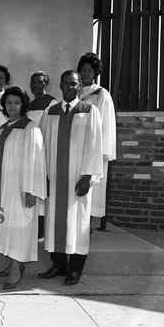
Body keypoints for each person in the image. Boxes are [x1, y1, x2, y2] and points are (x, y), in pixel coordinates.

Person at [39, 70, 103, 286]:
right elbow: (42, 147)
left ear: (79, 86)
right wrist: (42, 176)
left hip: (78, 179)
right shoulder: (50, 112)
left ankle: (75, 269)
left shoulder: (89, 111)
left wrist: (88, 177)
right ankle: (59, 264)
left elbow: (94, 145)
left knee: (79, 223)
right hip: (54, 179)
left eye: (74, 84)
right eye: (66, 83)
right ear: (60, 84)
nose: (70, 87)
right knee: (54, 222)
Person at [0, 86, 46, 290]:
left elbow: (36, 160)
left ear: (23, 105)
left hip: (21, 187)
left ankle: (15, 267)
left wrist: (31, 189)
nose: (12, 106)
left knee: (20, 226)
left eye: (16, 102)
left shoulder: (30, 128)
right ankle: (13, 262)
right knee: (8, 226)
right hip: (3, 186)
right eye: (8, 102)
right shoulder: (3, 128)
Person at [77, 53, 116, 228]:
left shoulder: (101, 94)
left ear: (95, 73)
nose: (85, 74)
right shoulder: (74, 91)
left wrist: (102, 152)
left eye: (89, 71)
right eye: (83, 70)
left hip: (94, 148)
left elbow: (105, 125)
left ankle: (88, 227)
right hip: (77, 147)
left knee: (92, 190)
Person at [26, 71, 57, 242]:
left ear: (46, 84)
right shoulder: (31, 104)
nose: (36, 85)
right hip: (32, 150)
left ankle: (42, 230)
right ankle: (34, 228)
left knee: (42, 190)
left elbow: (51, 129)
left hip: (44, 150)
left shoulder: (51, 103)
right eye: (33, 82)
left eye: (39, 82)